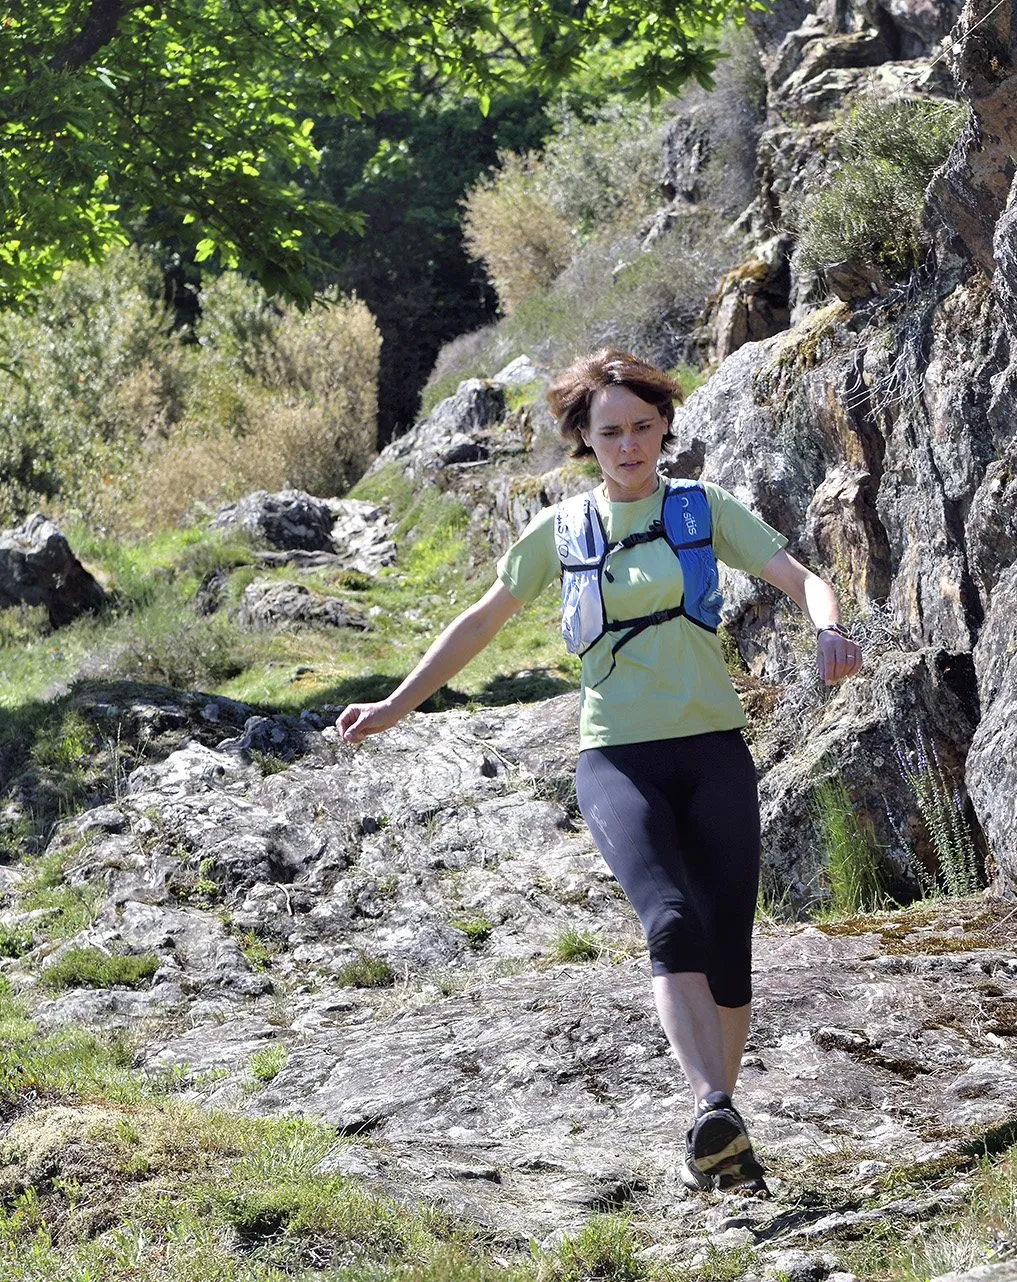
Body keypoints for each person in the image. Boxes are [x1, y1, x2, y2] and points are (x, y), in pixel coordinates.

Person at [335, 347, 862, 1193]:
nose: (628, 446)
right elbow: (480, 622)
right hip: (616, 756)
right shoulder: (561, 531)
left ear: (664, 429)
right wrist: (396, 706)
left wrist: (830, 629)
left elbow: (804, 580)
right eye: (610, 431)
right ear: (584, 437)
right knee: (668, 921)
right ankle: (711, 1109)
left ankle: (721, 1122)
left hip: (715, 751)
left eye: (643, 428)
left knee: (729, 949)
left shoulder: (702, 509)